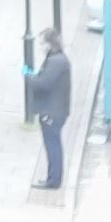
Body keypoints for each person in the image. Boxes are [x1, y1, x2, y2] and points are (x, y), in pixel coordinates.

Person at [27, 28, 74, 190]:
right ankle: (52, 178)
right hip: (56, 110)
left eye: (42, 43)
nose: (40, 47)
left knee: (52, 145)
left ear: (49, 44)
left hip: (52, 112)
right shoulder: (58, 59)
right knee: (53, 144)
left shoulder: (55, 62)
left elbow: (43, 84)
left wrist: (29, 77)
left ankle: (53, 180)